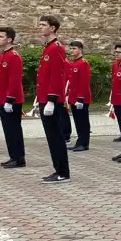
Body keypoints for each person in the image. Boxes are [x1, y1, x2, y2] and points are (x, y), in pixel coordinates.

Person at [35, 15, 70, 183]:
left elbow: (57, 76)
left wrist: (51, 99)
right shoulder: (48, 47)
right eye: (40, 24)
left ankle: (62, 172)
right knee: (51, 136)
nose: (39, 27)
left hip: (52, 99)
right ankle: (58, 169)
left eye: (43, 25)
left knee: (56, 136)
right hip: (44, 97)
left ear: (53, 28)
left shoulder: (56, 47)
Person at [0, 27, 25, 168]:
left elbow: (14, 80)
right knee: (8, 129)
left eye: (1, 36)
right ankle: (13, 155)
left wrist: (10, 99)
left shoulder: (13, 56)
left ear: (9, 39)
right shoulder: (2, 55)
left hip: (12, 99)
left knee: (14, 129)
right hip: (3, 98)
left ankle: (19, 158)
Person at [66, 40, 92, 152]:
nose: (72, 51)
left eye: (74, 48)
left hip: (81, 98)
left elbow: (84, 82)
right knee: (77, 120)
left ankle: (84, 143)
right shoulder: (73, 63)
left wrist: (80, 98)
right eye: (71, 48)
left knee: (83, 121)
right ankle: (79, 142)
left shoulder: (83, 63)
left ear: (80, 49)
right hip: (73, 97)